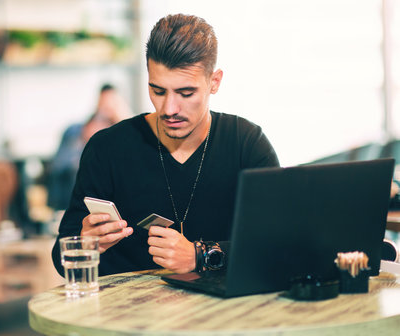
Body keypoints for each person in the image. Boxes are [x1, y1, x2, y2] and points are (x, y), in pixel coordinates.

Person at [51, 14, 279, 276]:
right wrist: (86, 243)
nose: (170, 109)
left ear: (214, 82)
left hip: (224, 311)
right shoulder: (107, 148)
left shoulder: (246, 143)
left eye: (186, 93)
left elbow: (279, 246)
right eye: (158, 91)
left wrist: (201, 255)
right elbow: (61, 255)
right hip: (128, 313)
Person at [47, 83, 131, 211]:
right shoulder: (75, 131)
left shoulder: (123, 132)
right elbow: (59, 165)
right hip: (74, 190)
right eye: (103, 102)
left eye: (112, 103)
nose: (106, 107)